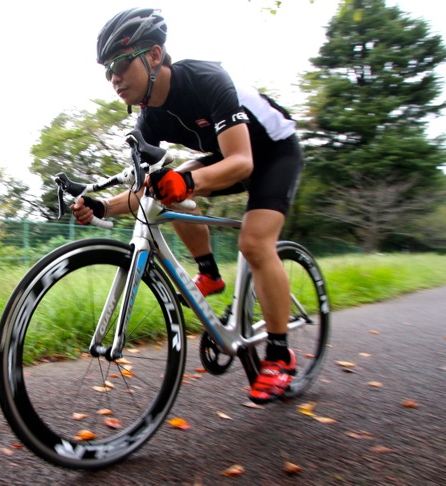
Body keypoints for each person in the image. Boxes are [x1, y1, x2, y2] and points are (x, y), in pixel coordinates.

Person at [72, 8, 304, 405]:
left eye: (121, 63)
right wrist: (101, 207)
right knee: (164, 192)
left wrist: (187, 180)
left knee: (254, 242)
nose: (114, 77)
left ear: (155, 55)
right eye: (107, 70)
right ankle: (210, 274)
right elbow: (147, 191)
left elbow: (243, 162)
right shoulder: (148, 120)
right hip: (226, 154)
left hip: (272, 154)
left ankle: (280, 355)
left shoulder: (205, 79)